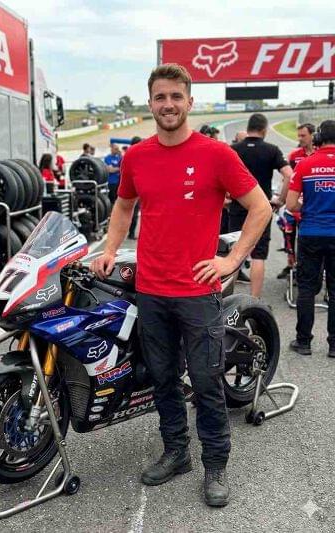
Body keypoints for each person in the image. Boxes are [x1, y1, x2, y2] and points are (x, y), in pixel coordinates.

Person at [90, 63, 272, 507]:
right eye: (160, 97)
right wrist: (110, 248)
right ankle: (176, 452)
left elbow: (261, 207)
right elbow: (123, 206)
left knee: (207, 383)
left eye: (176, 96)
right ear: (150, 103)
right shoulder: (137, 156)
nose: (168, 104)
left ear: (189, 102)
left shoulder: (216, 154)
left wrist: (231, 259)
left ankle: (216, 464)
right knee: (163, 378)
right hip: (151, 290)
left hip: (197, 293)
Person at [229, 113, 293, 297]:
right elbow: (289, 174)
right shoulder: (271, 150)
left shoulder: (233, 149)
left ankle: (228, 301)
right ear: (264, 130)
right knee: (258, 255)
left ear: (248, 128)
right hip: (261, 208)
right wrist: (281, 200)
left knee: (234, 256)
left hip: (237, 207)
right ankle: (254, 301)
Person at [286, 120, 335, 357]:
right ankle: (334, 345)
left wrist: (309, 207)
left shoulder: (305, 164)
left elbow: (291, 204)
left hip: (311, 232)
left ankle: (303, 341)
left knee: (306, 288)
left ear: (317, 139)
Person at [277, 123, 316, 279]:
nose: (300, 138)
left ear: (313, 135)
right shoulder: (294, 156)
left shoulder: (320, 154)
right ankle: (291, 263)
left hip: (313, 202)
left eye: (303, 135)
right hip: (295, 202)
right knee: (286, 227)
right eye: (298, 135)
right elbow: (287, 179)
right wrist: (281, 198)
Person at [127, 136, 142, 239]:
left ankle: (130, 232)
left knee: (130, 212)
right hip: (133, 189)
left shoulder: (127, 155)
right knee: (133, 212)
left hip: (131, 189)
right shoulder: (136, 156)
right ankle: (131, 233)